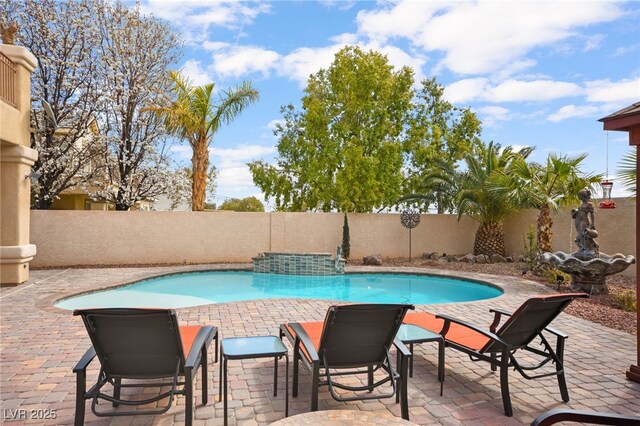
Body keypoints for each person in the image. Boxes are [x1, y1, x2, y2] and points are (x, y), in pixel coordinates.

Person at [571, 188, 599, 255]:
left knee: (585, 235)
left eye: (579, 196)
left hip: (584, 222)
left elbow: (592, 214)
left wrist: (592, 224)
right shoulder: (582, 204)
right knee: (580, 235)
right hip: (578, 222)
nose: (579, 197)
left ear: (583, 196)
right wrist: (575, 212)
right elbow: (580, 211)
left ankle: (592, 247)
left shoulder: (589, 204)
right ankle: (582, 248)